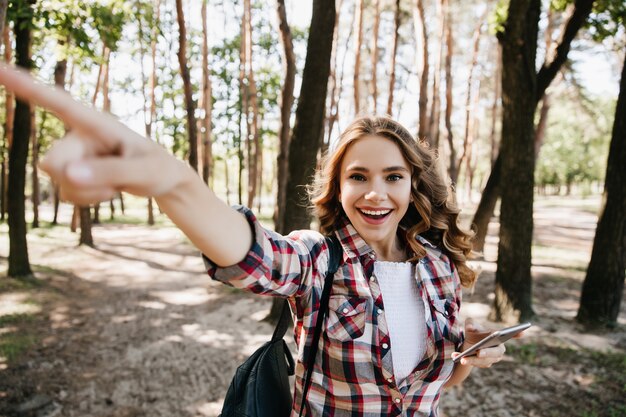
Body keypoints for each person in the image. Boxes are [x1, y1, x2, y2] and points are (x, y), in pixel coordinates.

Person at [0, 64, 507, 417]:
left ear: (412, 185)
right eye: (359, 176)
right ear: (339, 186)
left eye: (393, 176)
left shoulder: (438, 268)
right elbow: (253, 254)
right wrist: (174, 180)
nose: (376, 192)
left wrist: (467, 357)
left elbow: (435, 387)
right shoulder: (318, 257)